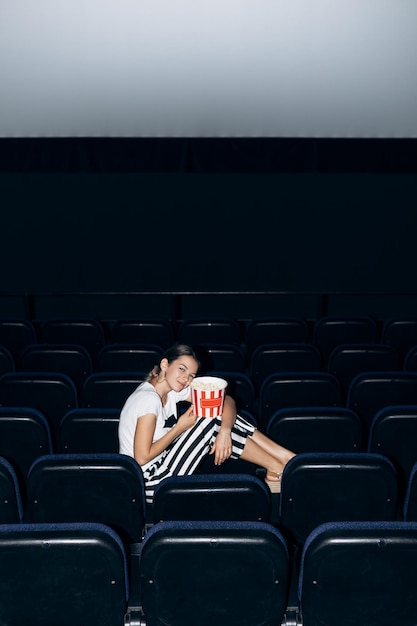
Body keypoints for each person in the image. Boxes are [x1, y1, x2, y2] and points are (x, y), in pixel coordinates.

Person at [118, 343, 295, 503]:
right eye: (181, 369)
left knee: (214, 415)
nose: (185, 379)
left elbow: (226, 401)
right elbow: (141, 457)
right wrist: (179, 427)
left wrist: (225, 431)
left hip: (159, 467)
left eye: (191, 375)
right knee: (209, 421)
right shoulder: (149, 399)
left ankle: (282, 460)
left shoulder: (172, 391)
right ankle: (279, 463)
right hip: (146, 483)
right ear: (165, 364)